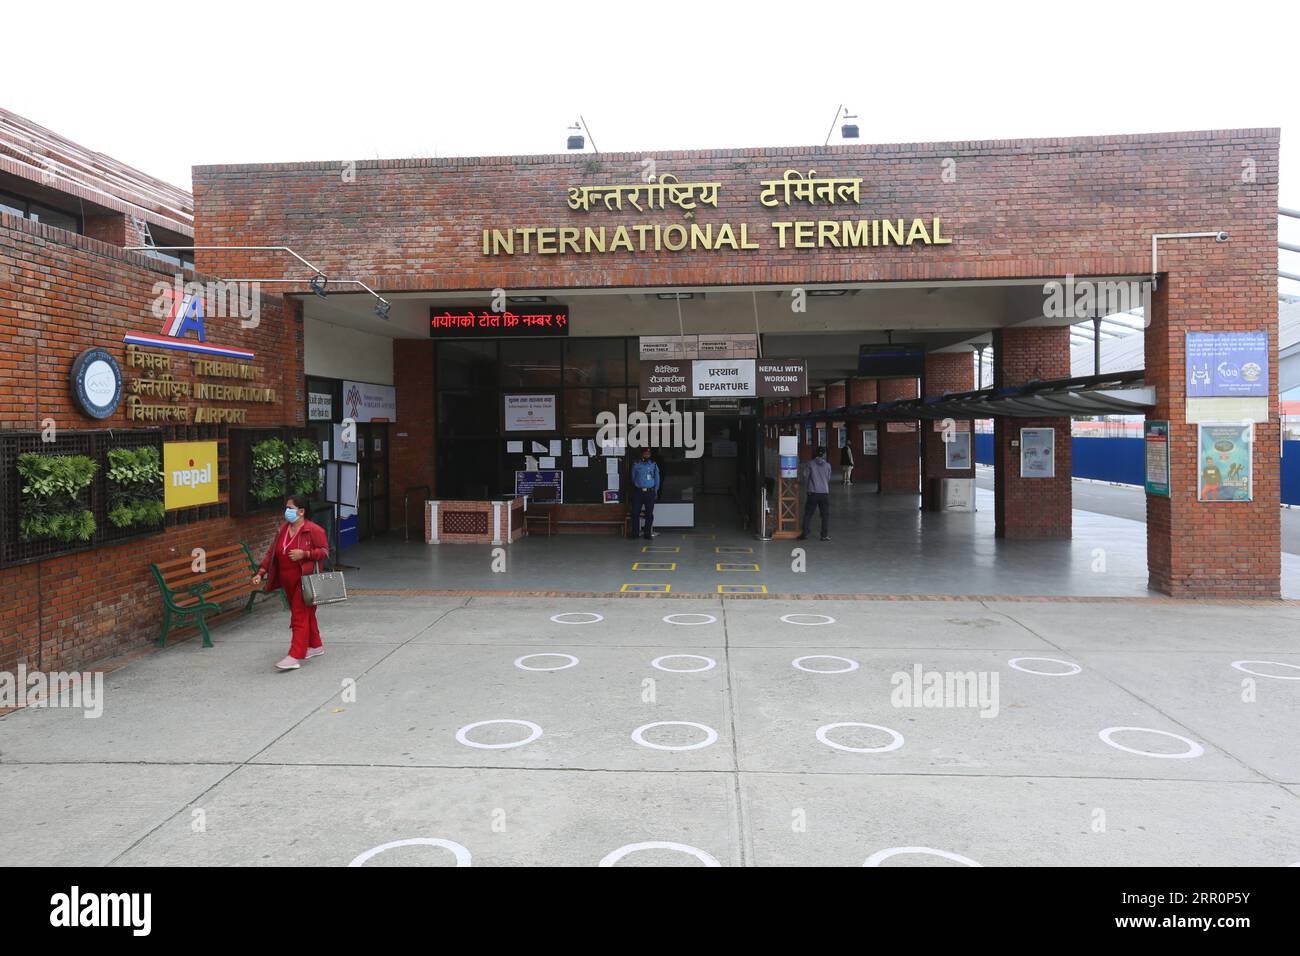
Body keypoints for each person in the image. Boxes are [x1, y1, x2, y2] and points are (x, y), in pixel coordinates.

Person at [251, 495, 330, 670]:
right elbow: (271, 553)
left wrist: (305, 554)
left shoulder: (313, 530)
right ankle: (315, 646)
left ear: (301, 511)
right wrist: (261, 572)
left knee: (299, 616)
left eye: (290, 508)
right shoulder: (283, 530)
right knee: (306, 613)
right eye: (286, 507)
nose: (287, 511)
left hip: (305, 580)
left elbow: (324, 551)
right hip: (287, 580)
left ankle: (295, 655)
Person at [797, 447, 833, 541]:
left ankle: (804, 533)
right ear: (824, 454)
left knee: (808, 514)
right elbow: (828, 478)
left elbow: (805, 477)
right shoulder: (828, 465)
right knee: (825, 515)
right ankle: (824, 535)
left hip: (812, 492)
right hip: (824, 492)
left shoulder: (810, 464)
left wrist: (809, 485)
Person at [630, 446, 661, 540]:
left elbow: (657, 479)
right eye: (645, 453)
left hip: (650, 492)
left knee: (649, 513)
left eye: (648, 453)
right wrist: (638, 485)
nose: (647, 455)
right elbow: (633, 477)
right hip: (639, 492)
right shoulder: (636, 464)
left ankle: (647, 533)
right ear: (642, 454)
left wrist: (655, 491)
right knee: (635, 512)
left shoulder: (654, 465)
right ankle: (635, 533)